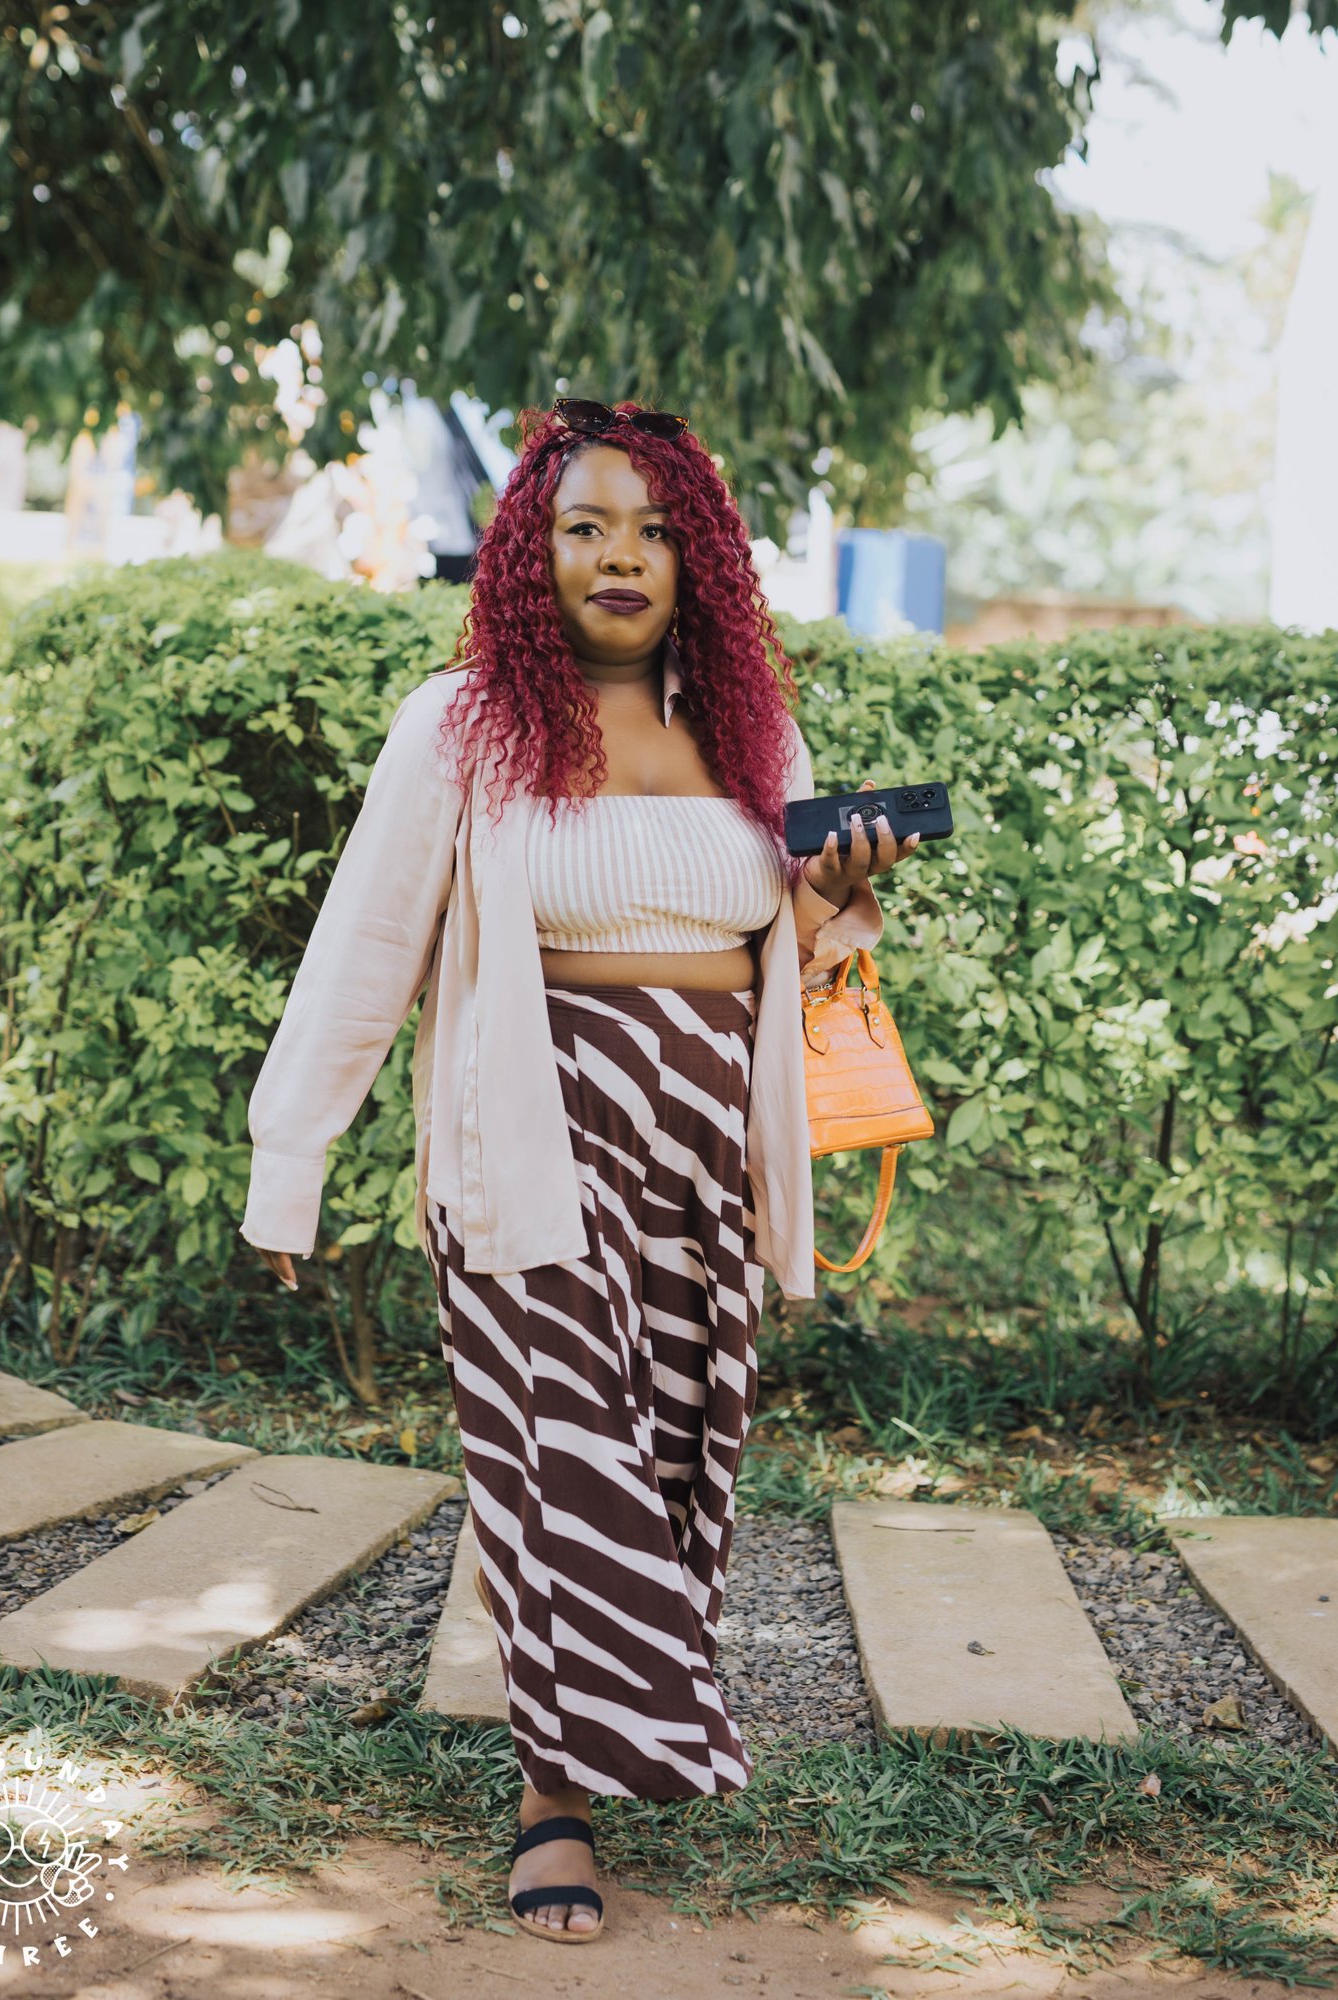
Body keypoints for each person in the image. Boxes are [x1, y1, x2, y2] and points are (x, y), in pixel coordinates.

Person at [239, 399, 919, 1943]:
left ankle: (618, 1733)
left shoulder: (752, 732)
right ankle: (556, 1796)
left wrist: (836, 890)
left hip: (701, 1158)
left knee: (671, 1461)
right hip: (530, 1145)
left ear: (700, 558)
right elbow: (364, 949)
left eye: (656, 530)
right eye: (586, 527)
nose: (622, 556)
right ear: (528, 553)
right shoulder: (462, 726)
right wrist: (293, 1162)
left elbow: (795, 951)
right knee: (557, 1466)